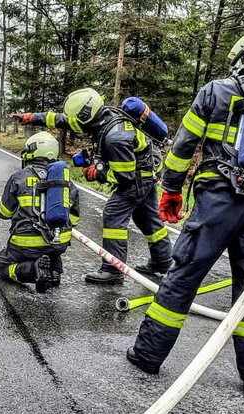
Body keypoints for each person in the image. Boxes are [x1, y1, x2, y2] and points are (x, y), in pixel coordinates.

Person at [126, 27, 244, 394]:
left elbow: (184, 144)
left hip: (217, 201)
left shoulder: (217, 91)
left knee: (184, 275)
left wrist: (171, 189)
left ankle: (148, 355)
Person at [13, 88, 173, 285]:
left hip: (137, 177)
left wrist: (94, 173)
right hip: (145, 173)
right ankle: (163, 262)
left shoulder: (115, 138)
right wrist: (32, 117)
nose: (75, 123)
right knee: (148, 220)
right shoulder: (101, 116)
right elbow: (64, 120)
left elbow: (125, 176)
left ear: (86, 115)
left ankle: (113, 270)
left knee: (114, 216)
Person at [0, 131, 81, 293]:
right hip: (57, 244)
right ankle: (54, 272)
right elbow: (74, 220)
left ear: (33, 152)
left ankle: (33, 271)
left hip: (25, 244)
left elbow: (4, 213)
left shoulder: (18, 178)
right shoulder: (65, 182)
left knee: (1, 264)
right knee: (51, 252)